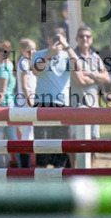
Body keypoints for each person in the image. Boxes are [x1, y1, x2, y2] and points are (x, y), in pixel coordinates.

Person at [31, 24, 83, 167]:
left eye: (60, 38)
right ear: (48, 39)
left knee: (60, 143)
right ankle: (41, 174)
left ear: (65, 39)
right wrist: (49, 55)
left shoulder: (68, 56)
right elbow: (36, 71)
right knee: (42, 142)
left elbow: (78, 67)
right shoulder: (39, 54)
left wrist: (67, 46)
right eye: (54, 38)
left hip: (62, 104)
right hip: (42, 103)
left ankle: (59, 173)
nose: (57, 42)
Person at [15, 38, 37, 166]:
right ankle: (25, 165)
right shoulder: (23, 62)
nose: (33, 52)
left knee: (29, 132)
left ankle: (28, 163)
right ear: (22, 51)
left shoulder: (29, 62)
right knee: (27, 133)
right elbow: (24, 85)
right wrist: (30, 101)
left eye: (34, 49)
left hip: (31, 100)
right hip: (26, 101)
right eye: (30, 50)